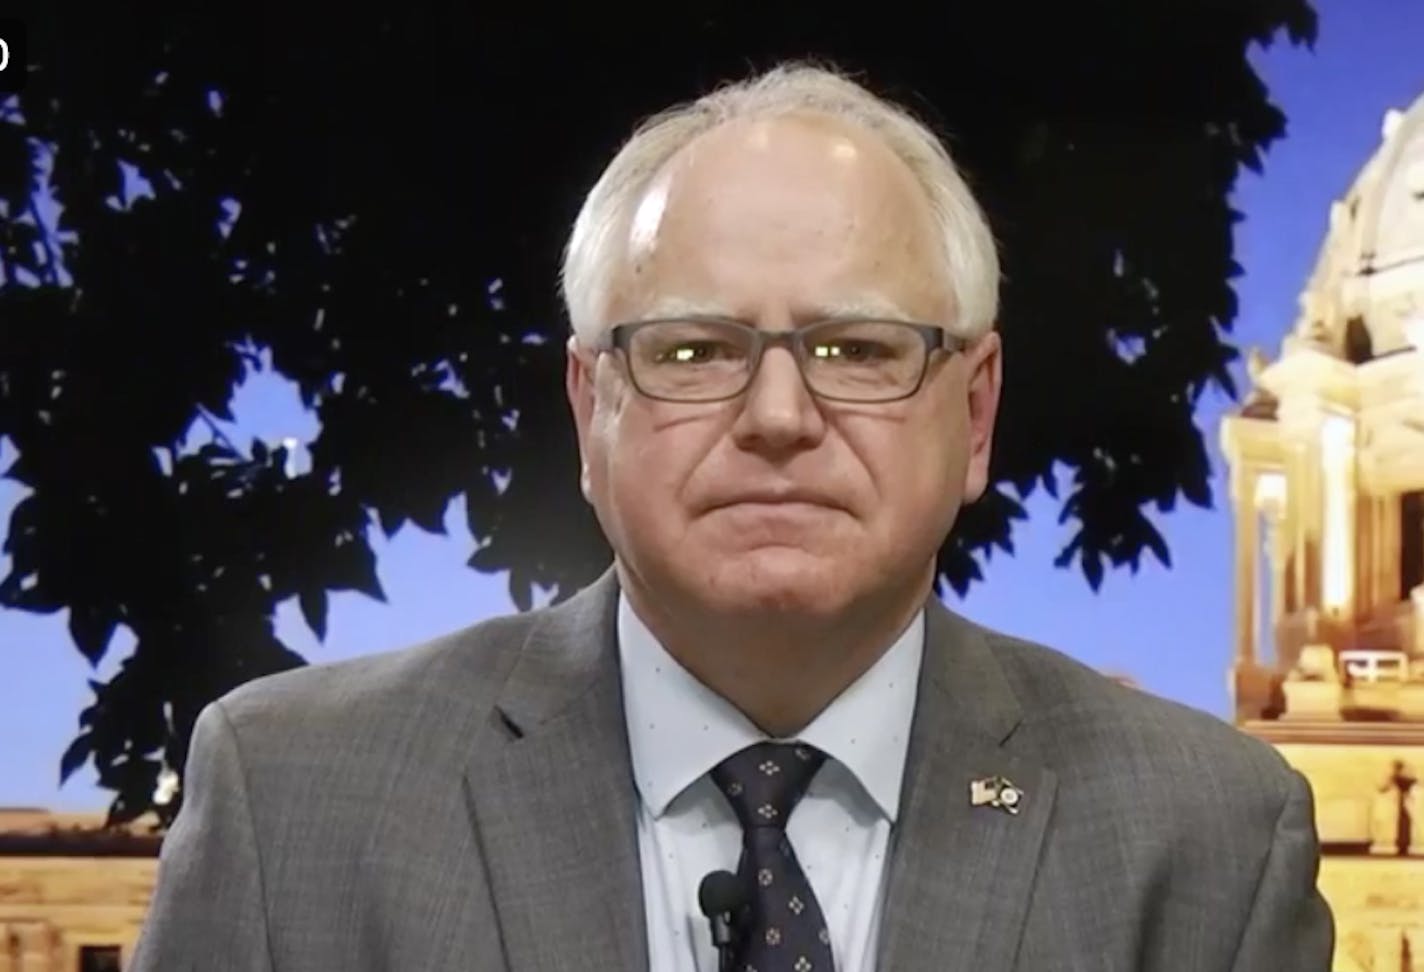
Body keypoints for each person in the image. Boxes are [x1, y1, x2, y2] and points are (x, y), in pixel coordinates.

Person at [129, 61, 1334, 971]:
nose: (775, 416)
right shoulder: (291, 801)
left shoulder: (1205, 841)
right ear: (587, 407)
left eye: (855, 348)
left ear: (972, 417)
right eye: (693, 349)